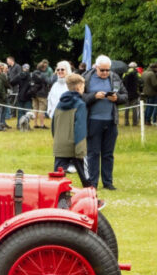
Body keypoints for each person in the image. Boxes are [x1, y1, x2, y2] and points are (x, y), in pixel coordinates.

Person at [83, 55, 126, 190]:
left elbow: (125, 96)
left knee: (108, 154)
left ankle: (108, 182)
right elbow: (79, 97)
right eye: (102, 70)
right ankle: (93, 183)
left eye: (108, 70)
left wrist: (117, 98)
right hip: (93, 121)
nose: (105, 73)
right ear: (96, 67)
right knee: (93, 153)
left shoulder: (115, 77)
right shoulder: (86, 78)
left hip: (111, 121)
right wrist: (94, 96)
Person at [51, 73, 90, 187]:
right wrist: (81, 150)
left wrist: (57, 140)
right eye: (83, 86)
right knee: (86, 177)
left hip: (60, 144)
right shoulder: (80, 104)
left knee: (57, 178)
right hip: (75, 145)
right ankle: (90, 193)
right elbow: (80, 128)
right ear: (79, 87)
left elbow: (53, 125)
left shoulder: (59, 104)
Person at [30, 62, 50, 128]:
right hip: (42, 93)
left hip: (34, 93)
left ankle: (35, 124)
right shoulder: (44, 75)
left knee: (35, 109)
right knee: (42, 109)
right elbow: (48, 81)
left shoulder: (33, 74)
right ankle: (42, 124)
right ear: (43, 68)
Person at [121, 62, 141, 126]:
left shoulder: (125, 73)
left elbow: (122, 82)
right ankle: (135, 122)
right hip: (134, 93)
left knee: (126, 108)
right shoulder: (137, 73)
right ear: (135, 67)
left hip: (126, 93)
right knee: (134, 108)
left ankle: (126, 122)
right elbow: (140, 82)